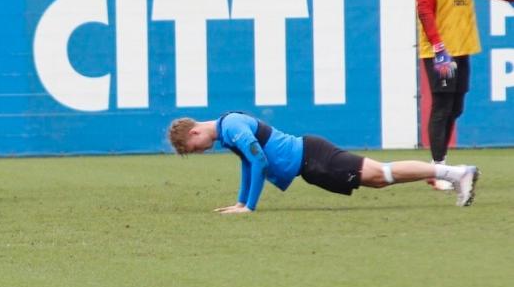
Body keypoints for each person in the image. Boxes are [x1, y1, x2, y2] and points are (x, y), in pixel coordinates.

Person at [167, 113, 479, 213]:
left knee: (383, 174)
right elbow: (248, 166)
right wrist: (240, 202)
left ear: (194, 131)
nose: (199, 152)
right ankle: (453, 174)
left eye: (193, 148)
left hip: (314, 157)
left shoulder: (232, 126)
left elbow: (259, 163)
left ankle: (456, 173)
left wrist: (249, 207)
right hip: (311, 163)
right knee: (381, 178)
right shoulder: (226, 132)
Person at [416, 0, 514, 189]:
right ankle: (438, 171)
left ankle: (440, 168)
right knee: (442, 106)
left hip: (461, 49)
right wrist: (438, 47)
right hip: (441, 51)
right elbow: (423, 7)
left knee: (455, 107)